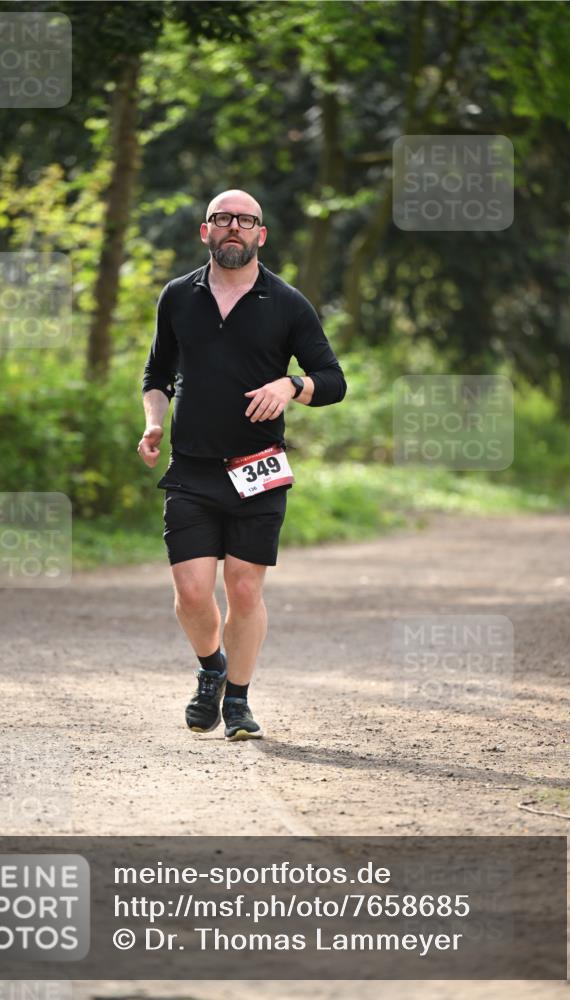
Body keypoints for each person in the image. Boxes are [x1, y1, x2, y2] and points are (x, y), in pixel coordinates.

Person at [138, 189, 346, 741]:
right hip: (192, 467)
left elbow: (333, 380)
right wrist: (153, 421)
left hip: (258, 466)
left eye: (245, 220)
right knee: (191, 592)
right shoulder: (178, 296)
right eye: (223, 218)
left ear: (261, 234)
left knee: (245, 589)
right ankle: (212, 668)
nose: (234, 227)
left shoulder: (288, 303)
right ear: (205, 230)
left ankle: (238, 700)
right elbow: (157, 374)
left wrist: (290, 384)